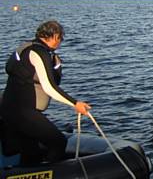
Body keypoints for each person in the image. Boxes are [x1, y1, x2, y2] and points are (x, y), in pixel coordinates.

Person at [1, 20, 91, 165]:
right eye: (60, 38)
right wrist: (75, 104)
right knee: (58, 142)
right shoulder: (39, 53)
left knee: (31, 151)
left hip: (10, 109)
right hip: (23, 112)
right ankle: (55, 178)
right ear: (55, 36)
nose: (60, 43)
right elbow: (49, 86)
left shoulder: (26, 47)